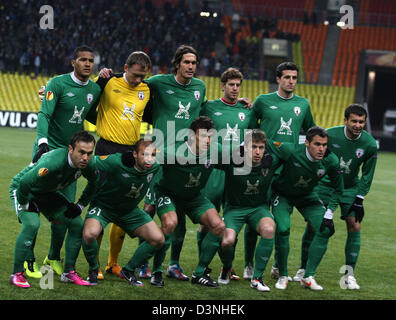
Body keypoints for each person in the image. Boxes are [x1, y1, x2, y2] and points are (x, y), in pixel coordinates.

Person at [26, 45, 102, 279]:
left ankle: (53, 258)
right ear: (73, 62)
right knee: (34, 209)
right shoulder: (57, 83)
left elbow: (92, 114)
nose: (87, 64)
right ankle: (29, 260)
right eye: (82, 60)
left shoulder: (95, 89)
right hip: (49, 152)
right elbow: (45, 114)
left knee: (64, 213)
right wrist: (42, 143)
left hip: (73, 158)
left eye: (91, 60)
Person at [244, 61, 316, 281]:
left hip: (290, 172)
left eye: (294, 77)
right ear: (278, 79)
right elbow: (248, 128)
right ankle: (248, 264)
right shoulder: (263, 101)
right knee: (257, 214)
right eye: (287, 77)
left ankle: (277, 265)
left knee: (283, 220)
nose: (291, 81)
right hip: (264, 168)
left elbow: (312, 132)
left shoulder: (303, 104)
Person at [293, 104, 378, 290]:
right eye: (354, 121)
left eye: (361, 122)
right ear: (345, 120)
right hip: (325, 186)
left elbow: (367, 175)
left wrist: (360, 199)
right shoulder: (330, 135)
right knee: (314, 225)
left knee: (355, 225)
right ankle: (303, 269)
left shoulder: (370, 144)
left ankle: (349, 275)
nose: (358, 125)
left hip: (349, 188)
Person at [9, 131, 100, 288]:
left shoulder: (88, 164)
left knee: (77, 223)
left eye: (89, 153)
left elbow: (94, 183)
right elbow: (24, 183)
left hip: (47, 193)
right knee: (32, 224)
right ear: (71, 149)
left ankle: (68, 273)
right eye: (81, 152)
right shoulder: (53, 162)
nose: (85, 157)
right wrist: (24, 205)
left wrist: (80, 205)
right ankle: (17, 274)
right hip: (25, 191)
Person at [93, 51, 153, 279]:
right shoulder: (108, 81)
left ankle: (113, 263)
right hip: (106, 150)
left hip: (130, 152)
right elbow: (86, 98)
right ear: (126, 67)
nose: (139, 80)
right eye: (136, 75)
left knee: (123, 206)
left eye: (143, 76)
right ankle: (94, 263)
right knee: (100, 206)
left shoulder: (147, 90)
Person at [196, 129, 279, 291]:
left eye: (261, 148)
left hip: (258, 209)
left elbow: (292, 150)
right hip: (234, 209)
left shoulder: (271, 162)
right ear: (245, 147)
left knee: (269, 229)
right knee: (227, 241)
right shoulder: (232, 160)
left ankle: (257, 278)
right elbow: (209, 156)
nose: (257, 151)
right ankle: (227, 268)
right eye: (253, 147)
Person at [151, 116, 226, 288]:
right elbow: (149, 160)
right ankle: (156, 271)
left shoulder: (215, 150)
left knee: (218, 226)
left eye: (210, 136)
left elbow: (238, 152)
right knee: (171, 224)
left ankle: (199, 273)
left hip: (193, 197)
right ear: (192, 136)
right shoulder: (173, 152)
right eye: (204, 136)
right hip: (169, 194)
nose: (208, 140)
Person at [198, 67, 257, 281]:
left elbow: (251, 138)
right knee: (207, 220)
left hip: (237, 172)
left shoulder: (247, 111)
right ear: (222, 85)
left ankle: (227, 267)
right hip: (213, 171)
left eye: (237, 85)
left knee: (233, 221)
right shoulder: (209, 107)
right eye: (231, 85)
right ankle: (202, 266)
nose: (234, 88)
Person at [81, 138, 164, 286]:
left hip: (129, 211)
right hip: (104, 207)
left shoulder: (154, 167)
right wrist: (91, 179)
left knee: (158, 239)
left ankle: (129, 270)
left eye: (152, 155)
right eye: (144, 154)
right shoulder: (116, 161)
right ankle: (94, 269)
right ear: (134, 154)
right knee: (89, 234)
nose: (149, 159)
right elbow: (90, 162)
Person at [269, 126, 343, 290]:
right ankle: (282, 274)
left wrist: (329, 214)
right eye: (317, 144)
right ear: (307, 143)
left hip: (307, 196)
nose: (321, 149)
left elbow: (339, 189)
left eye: (324, 144)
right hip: (283, 195)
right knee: (283, 229)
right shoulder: (290, 150)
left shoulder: (331, 161)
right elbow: (267, 142)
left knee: (325, 229)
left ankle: (308, 276)